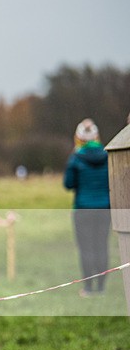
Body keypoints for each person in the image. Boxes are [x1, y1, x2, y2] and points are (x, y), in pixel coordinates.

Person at [64, 118, 111, 297]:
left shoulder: (76, 158)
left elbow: (68, 183)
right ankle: (101, 287)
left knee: (86, 248)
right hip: (104, 208)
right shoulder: (107, 155)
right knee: (102, 246)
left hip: (83, 208)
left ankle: (89, 287)